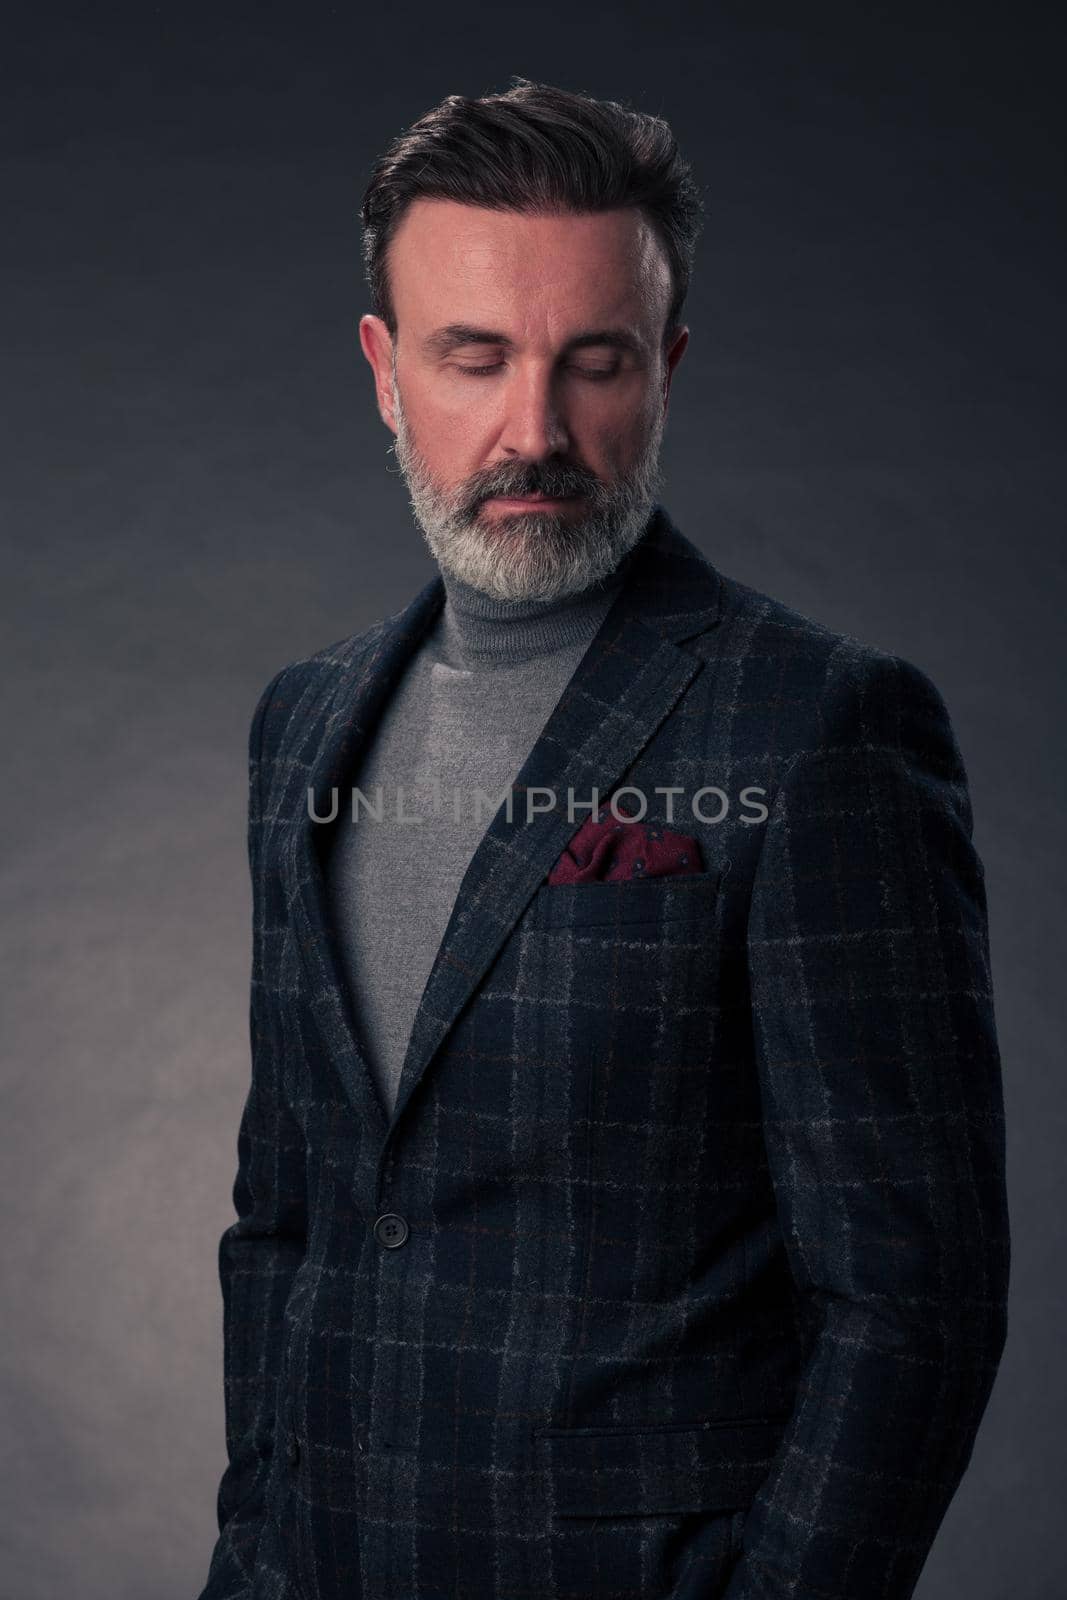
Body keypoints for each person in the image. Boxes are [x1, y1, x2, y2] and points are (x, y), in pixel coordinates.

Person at [198, 79, 1009, 1600]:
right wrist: (252, 1548)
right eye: (475, 357)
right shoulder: (302, 726)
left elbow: (915, 1300)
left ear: (667, 368)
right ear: (385, 372)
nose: (535, 430)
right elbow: (287, 1216)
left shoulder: (820, 729)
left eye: (595, 363)